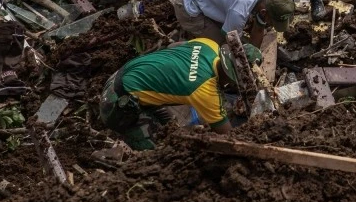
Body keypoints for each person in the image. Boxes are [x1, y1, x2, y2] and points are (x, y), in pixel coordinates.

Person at [99, 38, 261, 150]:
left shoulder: (209, 45)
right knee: (162, 149)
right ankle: (132, 140)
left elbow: (172, 47)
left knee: (171, 129)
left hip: (120, 75)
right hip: (115, 105)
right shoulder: (205, 92)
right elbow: (229, 137)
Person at [177, 0, 294, 47]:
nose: (272, 25)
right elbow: (233, 44)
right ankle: (179, 47)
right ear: (264, 12)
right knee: (222, 46)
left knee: (240, 35)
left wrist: (255, 51)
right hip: (188, 7)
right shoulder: (239, 11)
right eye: (272, 22)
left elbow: (259, 27)